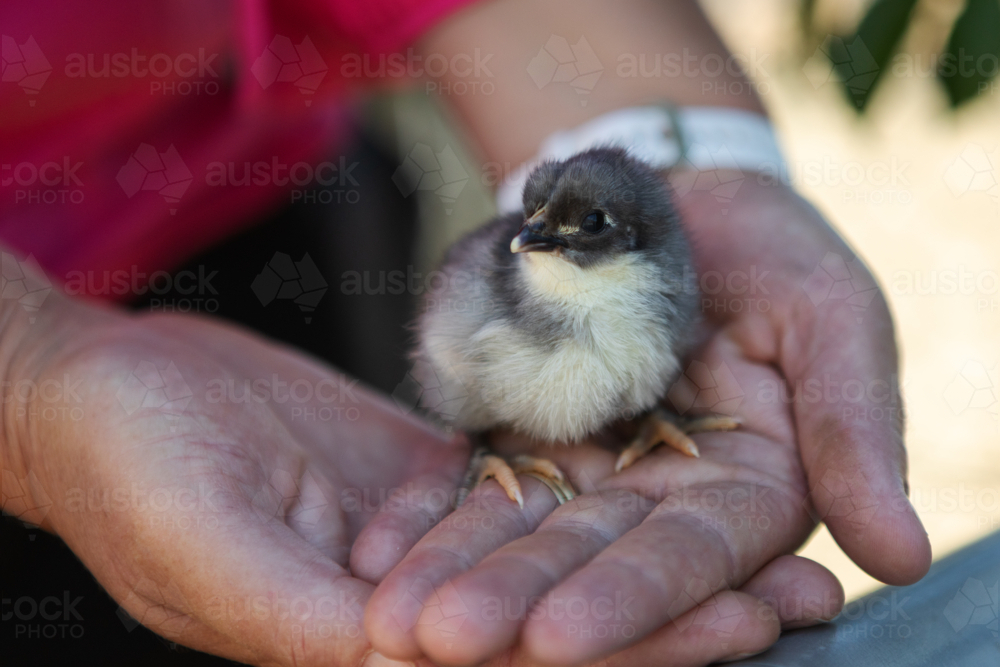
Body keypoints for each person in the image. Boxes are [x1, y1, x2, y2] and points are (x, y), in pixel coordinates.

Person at [0, 1, 931, 665]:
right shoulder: (506, 296)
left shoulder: (664, 295)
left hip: (249, 181)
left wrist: (709, 154)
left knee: (323, 517)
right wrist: (24, 363)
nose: (533, 242)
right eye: (539, 224)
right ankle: (489, 446)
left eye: (579, 235)